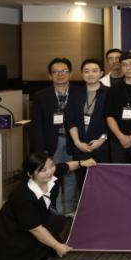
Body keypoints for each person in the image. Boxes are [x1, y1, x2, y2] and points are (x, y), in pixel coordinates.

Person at [0, 152, 96, 260]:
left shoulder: (49, 175)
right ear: (30, 174)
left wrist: (83, 163)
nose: (50, 171)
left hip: (22, 227)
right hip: (9, 236)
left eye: (51, 166)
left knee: (57, 221)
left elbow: (67, 166)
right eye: (43, 170)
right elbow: (36, 229)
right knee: (47, 231)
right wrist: (56, 245)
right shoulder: (24, 197)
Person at [31, 57, 81, 215]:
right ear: (50, 75)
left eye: (64, 71)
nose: (60, 74)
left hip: (74, 141)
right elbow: (37, 125)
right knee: (52, 176)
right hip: (52, 142)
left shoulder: (80, 92)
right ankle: (57, 212)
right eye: (55, 72)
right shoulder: (41, 96)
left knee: (72, 176)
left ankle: (70, 210)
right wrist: (40, 150)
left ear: (70, 73)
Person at [65, 58, 110, 189]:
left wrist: (101, 140)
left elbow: (113, 121)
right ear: (82, 74)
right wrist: (77, 142)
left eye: (94, 71)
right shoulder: (75, 93)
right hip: (81, 146)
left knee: (102, 183)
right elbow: (70, 120)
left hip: (102, 145)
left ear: (101, 73)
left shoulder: (109, 93)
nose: (90, 74)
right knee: (82, 182)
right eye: (86, 71)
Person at [105, 52, 131, 163]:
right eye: (124, 64)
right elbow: (109, 116)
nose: (128, 68)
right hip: (117, 141)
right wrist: (120, 136)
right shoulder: (113, 89)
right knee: (118, 172)